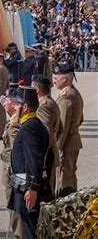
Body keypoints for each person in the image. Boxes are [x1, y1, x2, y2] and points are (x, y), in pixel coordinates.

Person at [7, 85, 54, 239]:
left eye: (17, 104)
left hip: (28, 190)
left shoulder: (29, 128)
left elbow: (34, 159)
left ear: (25, 107)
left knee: (29, 232)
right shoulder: (34, 124)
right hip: (27, 186)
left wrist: (32, 188)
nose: (13, 107)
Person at [52, 55, 83, 196]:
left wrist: (55, 150)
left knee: (65, 181)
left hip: (66, 145)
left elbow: (62, 128)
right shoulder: (74, 93)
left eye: (56, 78)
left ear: (64, 79)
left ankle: (67, 212)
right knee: (70, 176)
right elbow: (80, 119)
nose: (54, 81)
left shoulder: (66, 98)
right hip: (73, 141)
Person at [0, 87, 23, 238]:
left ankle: (19, 236)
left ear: (14, 103)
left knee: (15, 208)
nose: (3, 103)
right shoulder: (13, 119)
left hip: (12, 170)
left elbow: (16, 150)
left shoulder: (16, 123)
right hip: (9, 168)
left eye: (6, 100)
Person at [31, 75, 62, 195]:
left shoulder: (43, 107)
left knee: (45, 196)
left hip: (46, 159)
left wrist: (41, 164)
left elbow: (45, 137)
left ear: (37, 90)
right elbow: (60, 129)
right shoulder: (51, 102)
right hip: (50, 154)